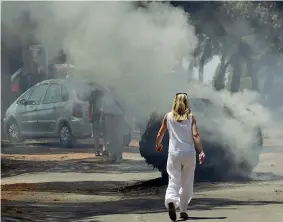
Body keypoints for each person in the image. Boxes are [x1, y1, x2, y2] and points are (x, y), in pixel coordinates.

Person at [155, 93, 205, 221]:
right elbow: (196, 135)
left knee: (174, 179)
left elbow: (160, 133)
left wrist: (158, 144)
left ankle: (171, 200)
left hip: (174, 154)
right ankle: (183, 210)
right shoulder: (191, 117)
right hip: (189, 153)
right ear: (187, 103)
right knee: (187, 182)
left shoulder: (168, 116)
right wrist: (201, 151)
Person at [101, 88, 126, 163]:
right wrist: (103, 117)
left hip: (118, 116)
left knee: (118, 136)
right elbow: (103, 107)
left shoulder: (120, 94)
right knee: (111, 137)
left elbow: (124, 106)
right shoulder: (106, 95)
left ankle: (118, 156)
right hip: (108, 116)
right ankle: (112, 155)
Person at [88, 88, 107, 156]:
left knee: (97, 134)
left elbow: (90, 106)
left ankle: (97, 150)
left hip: (96, 115)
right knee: (104, 133)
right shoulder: (105, 91)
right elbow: (90, 106)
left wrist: (89, 116)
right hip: (103, 115)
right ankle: (104, 149)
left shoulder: (93, 93)